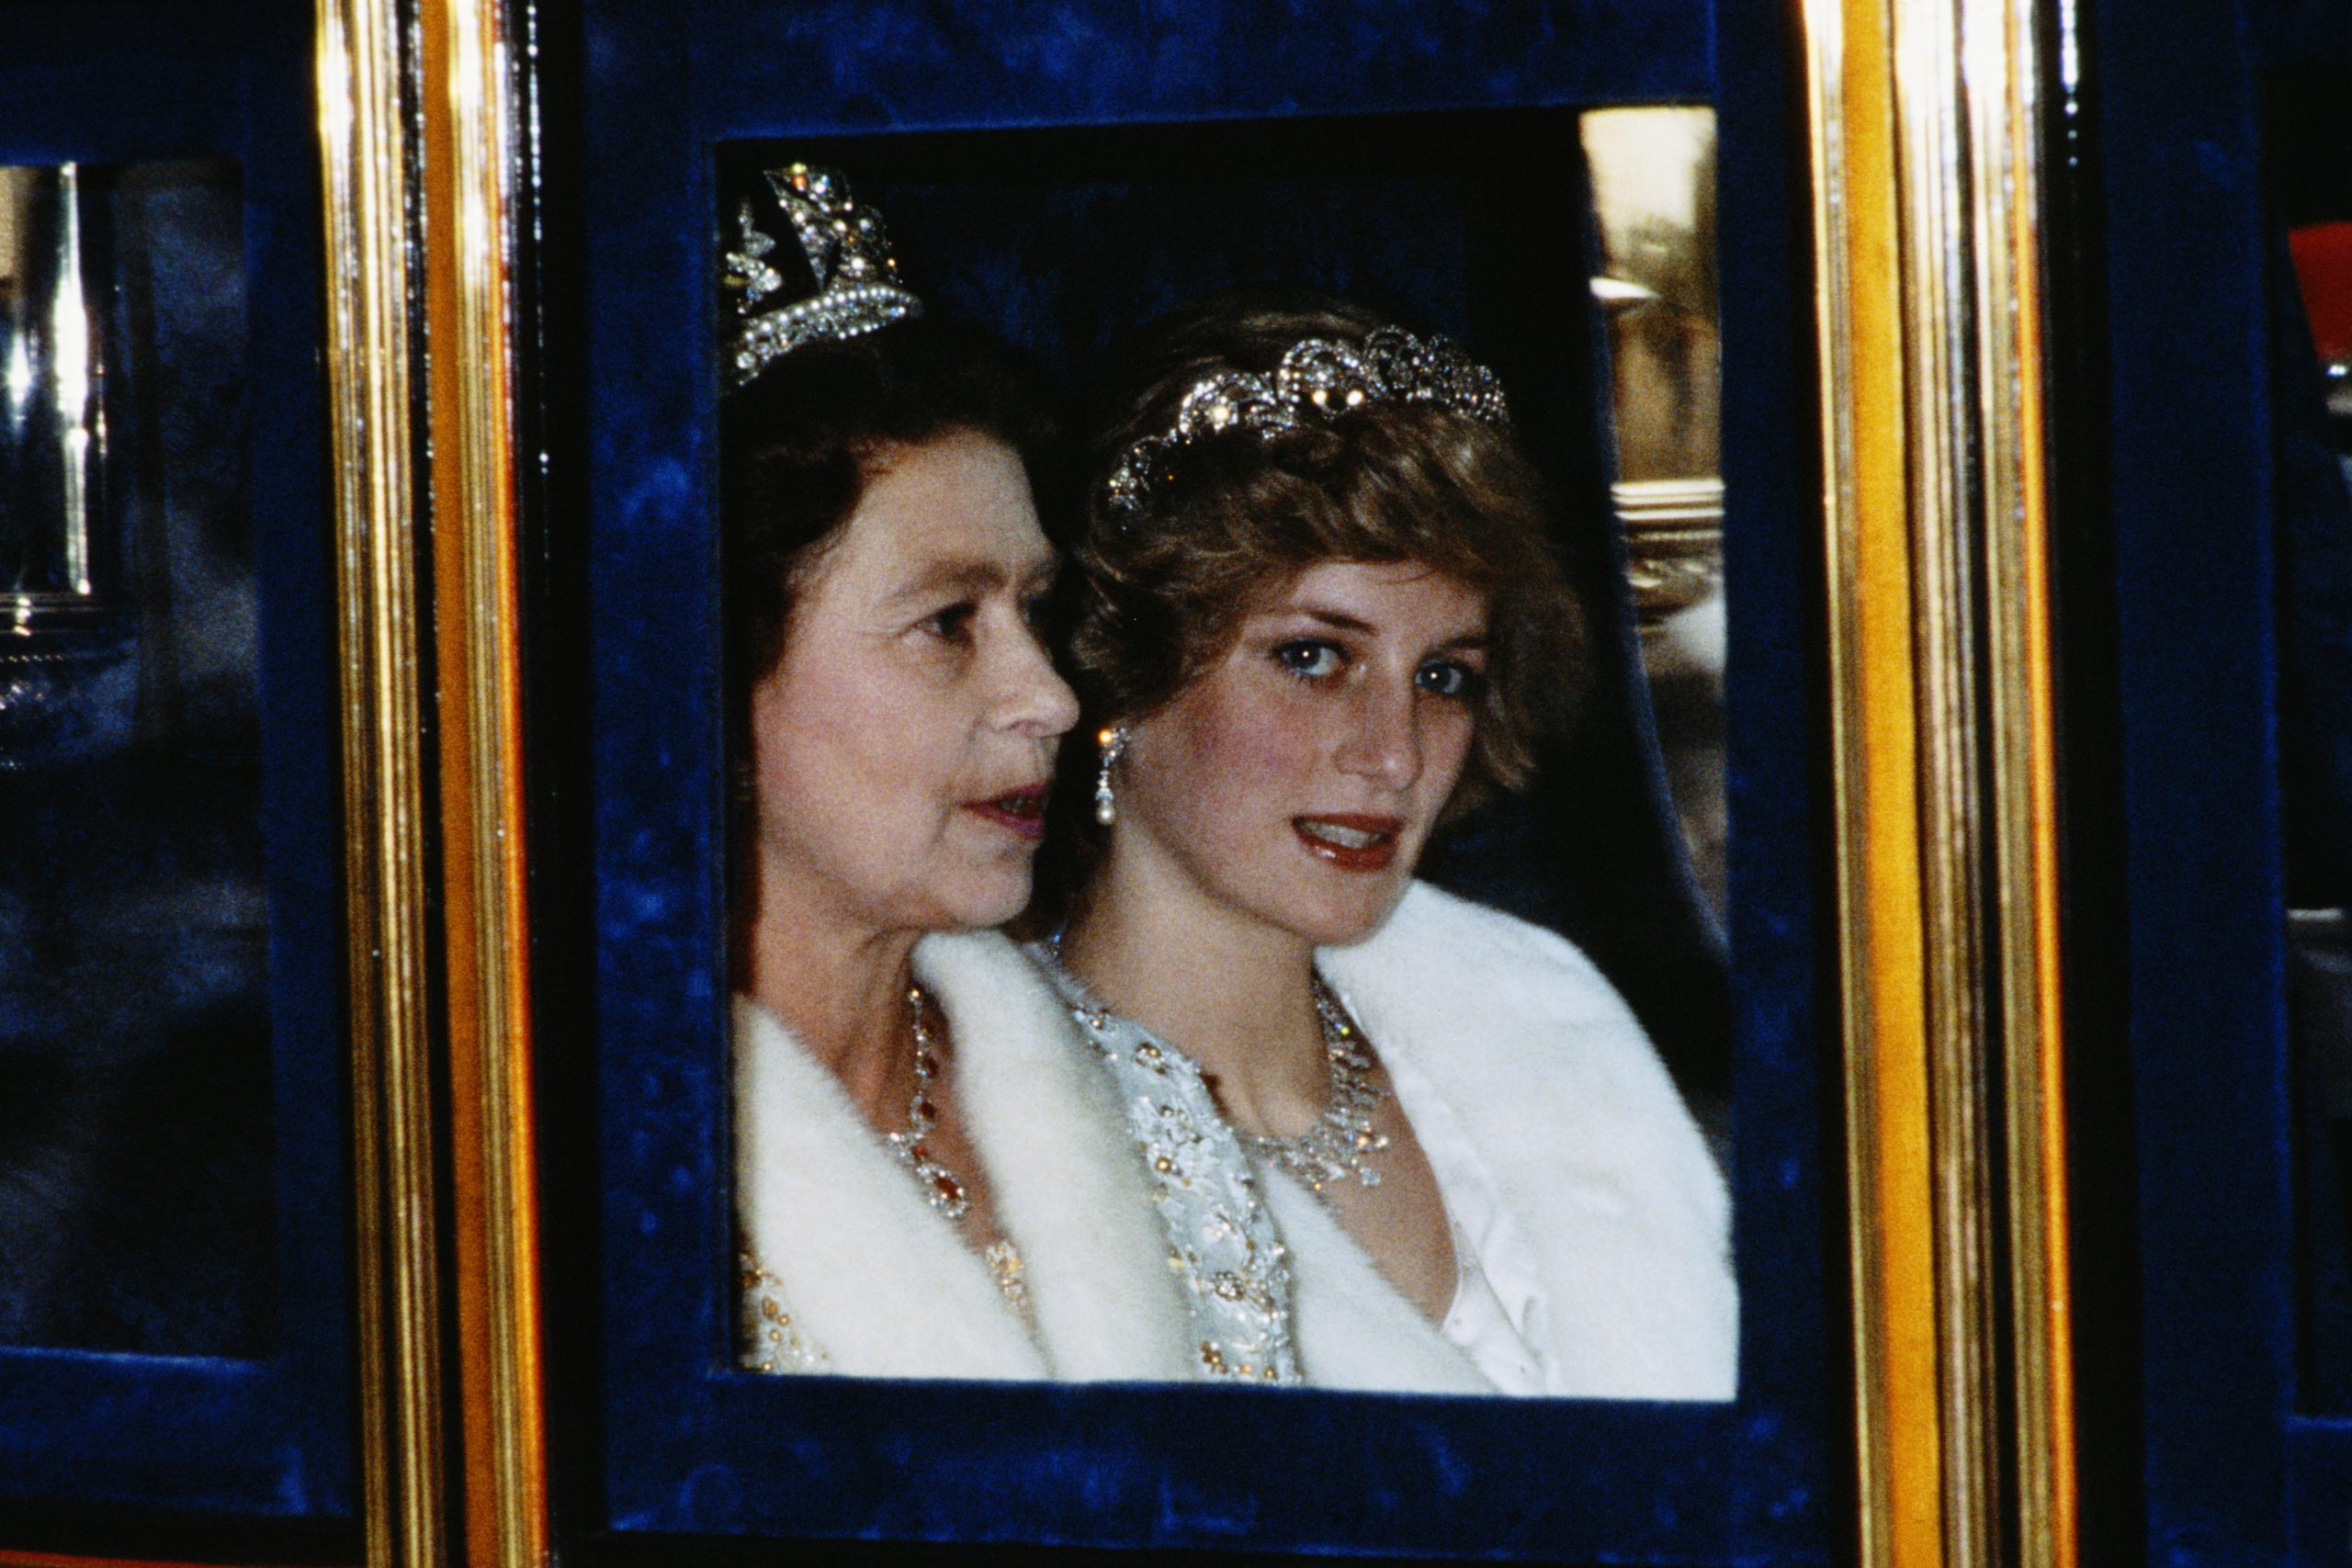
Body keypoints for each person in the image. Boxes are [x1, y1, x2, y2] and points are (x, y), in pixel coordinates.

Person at [1036, 291, 1737, 1397]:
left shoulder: (1544, 1029)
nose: (1396, 755)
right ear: (1120, 674)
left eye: (1442, 676)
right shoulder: (1010, 1145)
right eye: (1313, 658)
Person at [722, 164, 1197, 1381]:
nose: (1048, 695)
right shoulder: (570, 1179)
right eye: (948, 621)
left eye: (1035, 610)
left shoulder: (1146, 1107)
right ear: (711, 674)